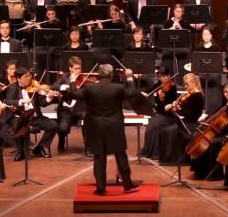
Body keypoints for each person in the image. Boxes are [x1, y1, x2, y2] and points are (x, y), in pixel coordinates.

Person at [69, 64, 141, 195]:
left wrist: (73, 79)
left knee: (99, 155)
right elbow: (132, 93)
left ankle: (101, 188)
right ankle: (127, 184)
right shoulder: (118, 88)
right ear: (111, 75)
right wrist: (129, 77)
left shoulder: (90, 88)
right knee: (120, 154)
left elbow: (75, 93)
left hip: (95, 125)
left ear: (98, 74)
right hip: (114, 125)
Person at [4, 67, 57, 160]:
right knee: (19, 125)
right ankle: (21, 151)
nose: (30, 78)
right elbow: (8, 101)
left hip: (35, 117)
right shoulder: (13, 88)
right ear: (18, 78)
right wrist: (21, 101)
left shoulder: (34, 87)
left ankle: (40, 148)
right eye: (26, 77)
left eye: (29, 75)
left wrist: (49, 97)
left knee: (53, 125)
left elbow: (42, 103)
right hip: (22, 117)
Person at [159, 73, 205, 165]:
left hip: (191, 123)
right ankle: (166, 158)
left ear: (193, 83)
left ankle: (174, 159)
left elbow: (190, 113)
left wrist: (177, 109)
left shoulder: (197, 95)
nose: (185, 86)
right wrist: (175, 106)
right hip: (185, 121)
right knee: (164, 131)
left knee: (169, 132)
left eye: (187, 84)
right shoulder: (189, 94)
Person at [140, 67, 177, 159]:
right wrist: (145, 94)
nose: (162, 79)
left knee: (154, 126)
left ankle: (155, 153)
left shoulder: (173, 87)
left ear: (168, 76)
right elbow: (150, 91)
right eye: (160, 76)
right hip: (159, 113)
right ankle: (148, 150)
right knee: (150, 125)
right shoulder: (159, 84)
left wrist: (162, 99)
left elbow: (168, 106)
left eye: (164, 76)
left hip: (168, 115)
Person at [51, 56, 87, 152]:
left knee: (88, 123)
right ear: (70, 68)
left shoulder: (84, 79)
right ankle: (61, 141)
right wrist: (64, 86)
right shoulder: (64, 77)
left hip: (80, 109)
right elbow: (54, 86)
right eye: (76, 68)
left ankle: (89, 147)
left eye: (79, 68)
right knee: (62, 128)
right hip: (66, 110)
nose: (78, 71)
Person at [194, 25, 222, 113]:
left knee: (214, 78)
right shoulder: (198, 47)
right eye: (204, 34)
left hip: (213, 71)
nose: (206, 36)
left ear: (211, 36)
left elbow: (218, 63)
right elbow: (196, 62)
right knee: (198, 78)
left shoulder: (216, 47)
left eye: (207, 34)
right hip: (202, 70)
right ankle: (201, 104)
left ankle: (212, 105)